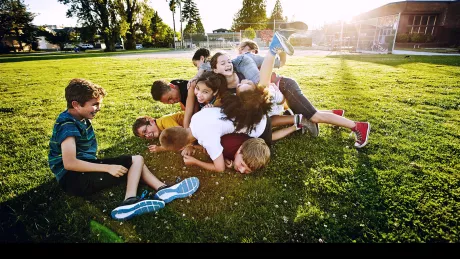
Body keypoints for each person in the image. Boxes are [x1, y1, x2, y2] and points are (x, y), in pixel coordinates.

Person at [48, 78, 200, 221]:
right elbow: (69, 163)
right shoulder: (67, 125)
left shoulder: (79, 118)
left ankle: (163, 189)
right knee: (134, 161)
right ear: (76, 104)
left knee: (137, 160)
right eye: (94, 104)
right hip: (74, 178)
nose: (98, 108)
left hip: (82, 172)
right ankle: (128, 203)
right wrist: (108, 168)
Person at [216, 33, 371, 148]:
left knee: (314, 116)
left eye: (247, 49)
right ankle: (334, 114)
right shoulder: (236, 74)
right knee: (305, 112)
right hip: (279, 91)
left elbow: (270, 69)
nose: (243, 51)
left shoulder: (248, 66)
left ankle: (358, 126)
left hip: (285, 86)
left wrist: (275, 50)